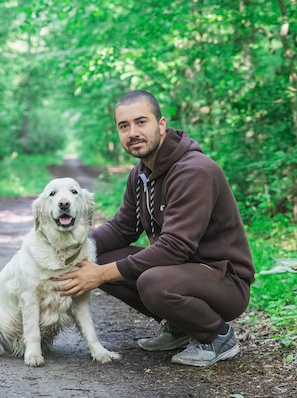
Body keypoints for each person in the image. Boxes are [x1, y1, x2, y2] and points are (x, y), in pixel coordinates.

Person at [54, 90, 255, 367]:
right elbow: (121, 229)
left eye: (141, 122)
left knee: (151, 282)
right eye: (124, 126)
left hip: (224, 280)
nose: (132, 132)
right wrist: (68, 248)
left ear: (161, 125)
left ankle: (217, 336)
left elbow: (175, 247)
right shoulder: (140, 174)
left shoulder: (194, 171)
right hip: (182, 272)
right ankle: (181, 327)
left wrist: (100, 275)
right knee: (97, 254)